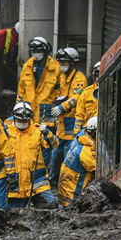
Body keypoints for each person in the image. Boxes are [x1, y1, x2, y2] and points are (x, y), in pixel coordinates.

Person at [16, 36, 60, 168]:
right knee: (29, 140)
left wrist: (58, 107)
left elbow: (60, 89)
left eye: (39, 51)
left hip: (46, 112)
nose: (36, 54)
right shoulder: (27, 66)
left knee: (45, 142)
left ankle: (43, 169)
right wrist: (18, 105)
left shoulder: (54, 67)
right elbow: (21, 89)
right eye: (34, 51)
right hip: (29, 111)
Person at [7, 102, 59, 209]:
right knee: (12, 214)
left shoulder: (37, 131)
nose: (22, 123)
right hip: (15, 183)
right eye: (20, 120)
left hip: (37, 181)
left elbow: (55, 144)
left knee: (51, 205)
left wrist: (47, 132)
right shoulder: (6, 133)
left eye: (25, 121)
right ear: (14, 118)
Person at [49, 47, 87, 184]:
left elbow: (77, 97)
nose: (62, 65)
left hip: (71, 120)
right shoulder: (62, 76)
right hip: (61, 121)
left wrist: (61, 107)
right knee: (56, 152)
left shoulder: (79, 78)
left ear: (72, 63)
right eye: (61, 62)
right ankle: (53, 179)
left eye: (65, 63)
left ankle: (65, 181)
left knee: (68, 152)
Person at [57, 116, 97, 207]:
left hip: (65, 181)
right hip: (73, 185)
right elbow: (95, 168)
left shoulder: (79, 138)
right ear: (94, 132)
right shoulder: (85, 150)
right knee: (73, 208)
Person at [74, 61, 100, 135]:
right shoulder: (87, 92)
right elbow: (79, 114)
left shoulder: (114, 93)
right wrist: (77, 133)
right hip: (88, 131)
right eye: (98, 76)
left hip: (105, 131)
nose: (99, 78)